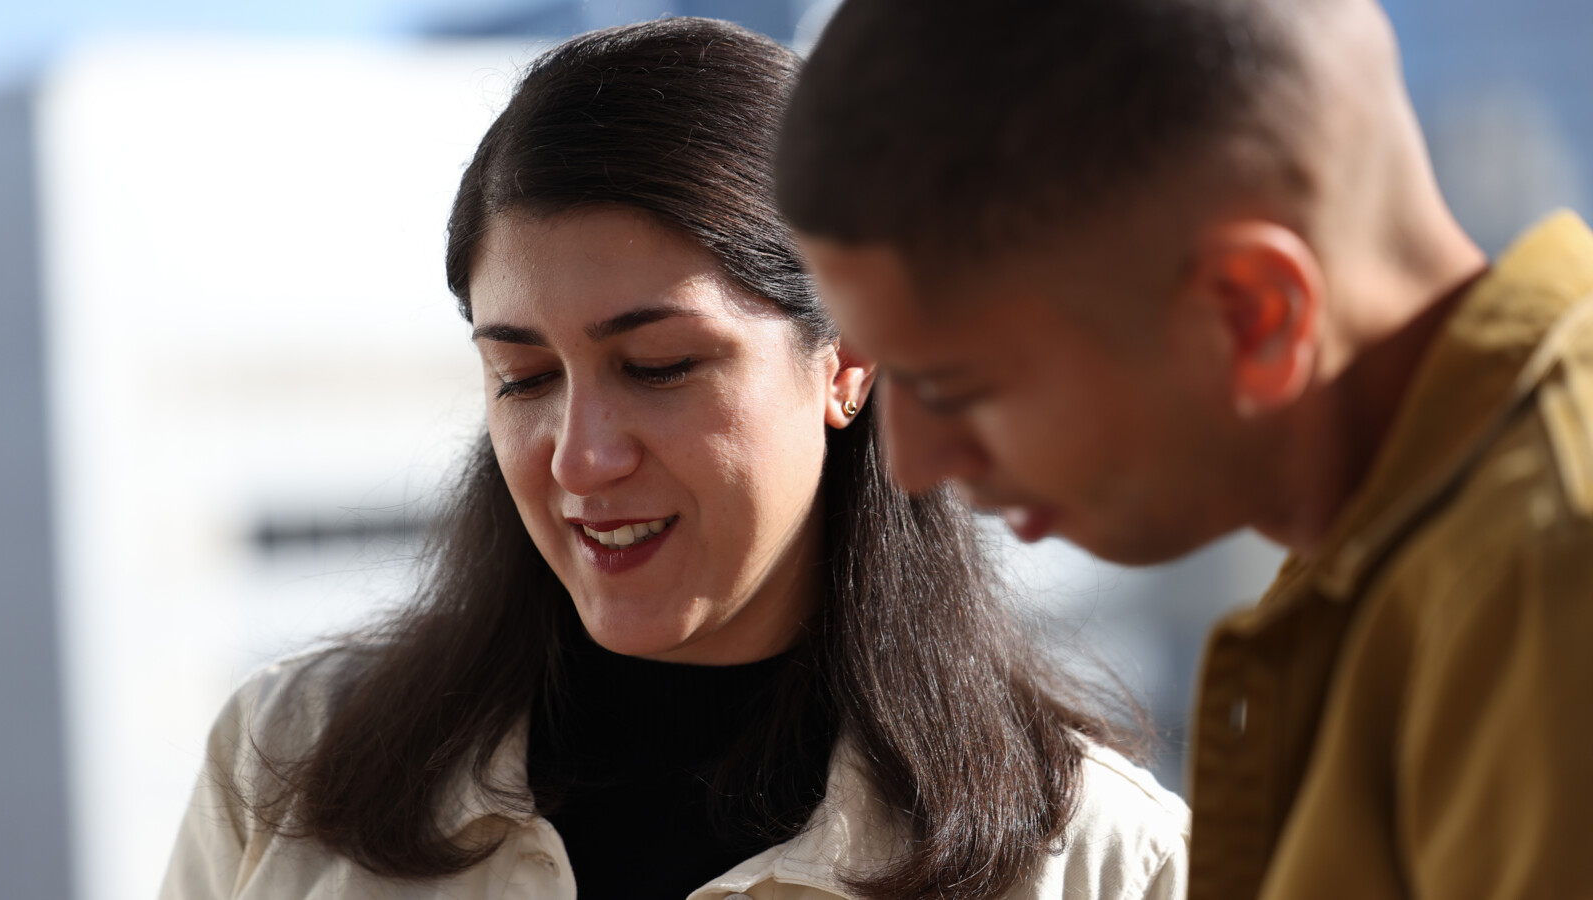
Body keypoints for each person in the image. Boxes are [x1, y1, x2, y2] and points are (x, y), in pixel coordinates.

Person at [159, 18, 1189, 900]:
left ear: (848, 363)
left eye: (658, 365)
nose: (581, 457)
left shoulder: (1098, 861)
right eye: (523, 377)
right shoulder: (288, 759)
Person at [776, 1, 1593, 899]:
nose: (910, 462)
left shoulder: (1547, 577)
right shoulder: (1405, 545)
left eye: (959, 388)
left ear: (1253, 316)